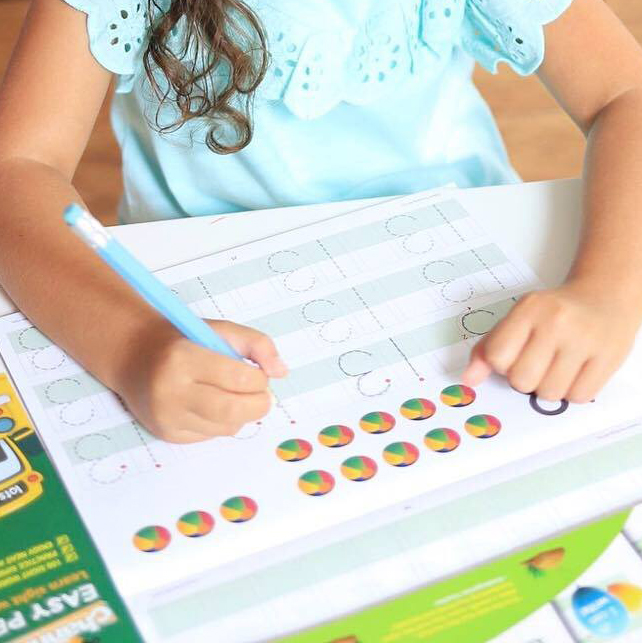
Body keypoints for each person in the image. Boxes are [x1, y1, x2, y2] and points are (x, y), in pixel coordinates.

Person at [0, 0, 641, 443]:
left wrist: (608, 290)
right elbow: (17, 168)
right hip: (201, 312)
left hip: (468, 272)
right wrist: (131, 343)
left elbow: (625, 91)